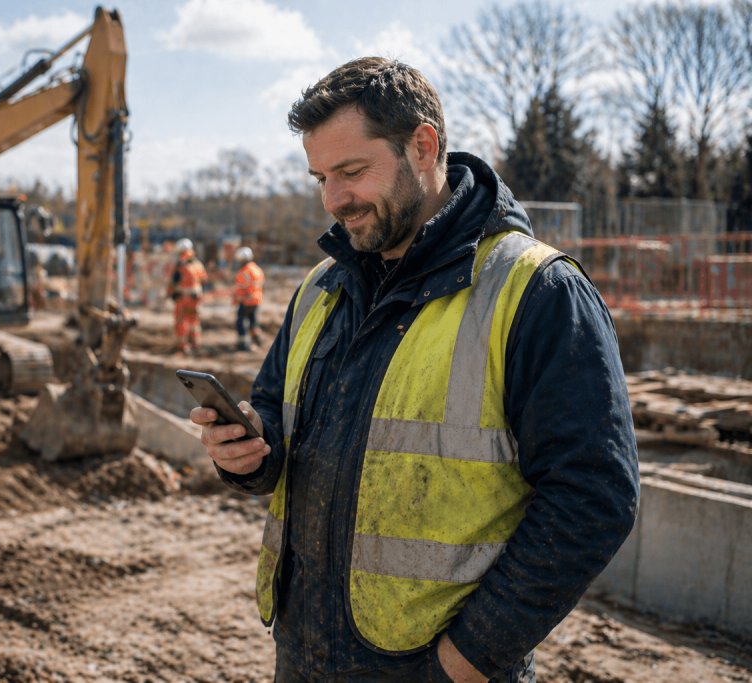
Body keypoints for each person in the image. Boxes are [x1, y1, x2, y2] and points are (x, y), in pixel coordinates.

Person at [191, 58, 639, 683]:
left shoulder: (535, 291)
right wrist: (248, 450)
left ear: (423, 147)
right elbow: (276, 415)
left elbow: (593, 498)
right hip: (304, 656)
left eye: (351, 171)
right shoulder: (323, 286)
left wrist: (469, 657)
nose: (333, 199)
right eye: (321, 176)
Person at [168, 238, 208, 354]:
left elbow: (174, 281)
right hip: (196, 297)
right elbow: (204, 279)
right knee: (194, 320)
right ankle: (196, 343)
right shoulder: (198, 264)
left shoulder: (181, 265)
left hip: (183, 297)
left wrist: (171, 293)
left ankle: (182, 346)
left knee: (181, 320)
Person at [232, 246, 265, 351]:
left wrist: (236, 299)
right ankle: (257, 341)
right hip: (256, 300)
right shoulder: (257, 269)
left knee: (240, 321)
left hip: (246, 301)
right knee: (253, 321)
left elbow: (241, 288)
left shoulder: (244, 271)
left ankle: (243, 344)